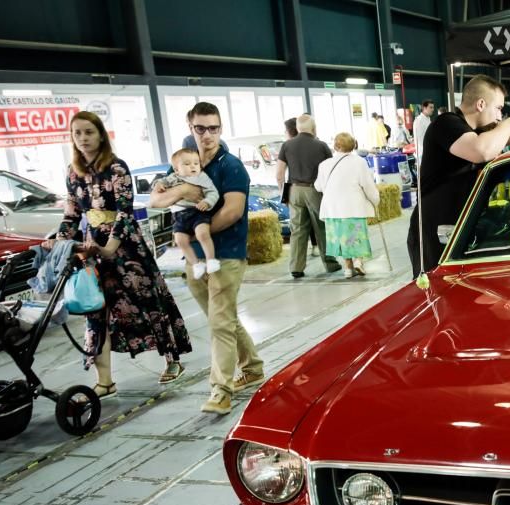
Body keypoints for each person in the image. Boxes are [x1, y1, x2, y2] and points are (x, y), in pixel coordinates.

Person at [52, 111, 191, 397]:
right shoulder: (72, 171)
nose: (83, 139)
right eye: (77, 133)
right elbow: (71, 215)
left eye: (88, 132)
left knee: (147, 300)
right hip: (93, 247)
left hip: (125, 245)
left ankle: (172, 359)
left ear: (101, 134)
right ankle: (105, 380)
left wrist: (111, 247)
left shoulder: (116, 167)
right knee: (96, 308)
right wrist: (59, 243)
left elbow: (125, 213)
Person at [150, 101, 264, 414]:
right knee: (223, 319)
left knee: (219, 323)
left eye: (213, 128)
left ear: (221, 129)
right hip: (194, 259)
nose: (207, 135)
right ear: (191, 129)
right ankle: (252, 367)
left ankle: (220, 390)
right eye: (201, 128)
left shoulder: (231, 166)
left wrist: (200, 230)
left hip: (225, 254)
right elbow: (155, 199)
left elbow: (233, 211)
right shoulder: (184, 164)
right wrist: (182, 192)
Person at [407, 74, 510, 278]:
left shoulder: (475, 131)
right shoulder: (446, 123)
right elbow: (481, 151)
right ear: (481, 104)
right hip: (434, 228)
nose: (500, 116)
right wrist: (509, 124)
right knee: (438, 288)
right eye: (498, 109)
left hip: (460, 227)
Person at [315, 132, 380, 279]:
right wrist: (375, 200)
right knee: (354, 235)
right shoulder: (359, 162)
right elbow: (367, 185)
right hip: (353, 206)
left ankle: (348, 268)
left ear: (336, 146)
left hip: (333, 208)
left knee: (341, 237)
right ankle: (358, 261)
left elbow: (318, 186)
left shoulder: (324, 165)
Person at [276, 114, 333, 278]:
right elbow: (329, 171)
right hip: (314, 189)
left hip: (294, 190)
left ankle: (296, 267)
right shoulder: (321, 146)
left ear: (297, 128)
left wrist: (284, 192)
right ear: (313, 128)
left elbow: (279, 173)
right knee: (321, 227)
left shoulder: (287, 145)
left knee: (297, 230)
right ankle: (330, 263)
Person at [153, 148, 220, 279]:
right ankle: (196, 264)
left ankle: (211, 260)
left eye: (196, 163)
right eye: (187, 164)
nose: (193, 166)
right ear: (176, 169)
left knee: (202, 234)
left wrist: (207, 202)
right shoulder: (173, 178)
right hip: (179, 216)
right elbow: (161, 182)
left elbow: (213, 192)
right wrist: (158, 185)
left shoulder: (202, 177)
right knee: (180, 240)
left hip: (198, 211)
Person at [413, 99, 435, 165]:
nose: (432, 109)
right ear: (424, 108)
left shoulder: (428, 119)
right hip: (423, 153)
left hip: (429, 152)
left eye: (433, 107)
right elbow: (420, 140)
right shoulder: (419, 120)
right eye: (430, 107)